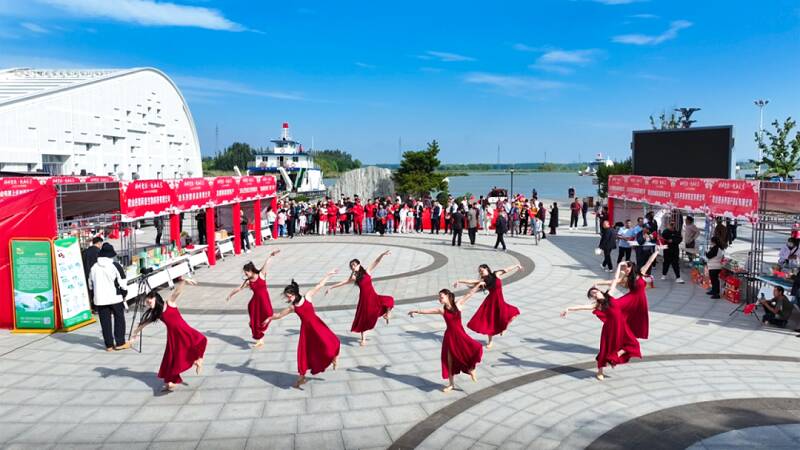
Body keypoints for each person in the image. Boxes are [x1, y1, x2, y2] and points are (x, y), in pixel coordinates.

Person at [128, 278, 206, 392]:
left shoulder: (169, 303)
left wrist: (184, 281)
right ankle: (172, 381)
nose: (148, 304)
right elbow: (143, 324)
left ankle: (198, 360)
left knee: (199, 342)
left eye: (149, 301)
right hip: (173, 337)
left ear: (155, 298)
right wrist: (134, 335)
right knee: (171, 359)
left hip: (184, 331)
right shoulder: (157, 313)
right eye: (147, 302)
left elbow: (176, 292)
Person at [267, 272, 341, 389]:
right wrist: (269, 318)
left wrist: (329, 274)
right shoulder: (293, 307)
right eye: (287, 296)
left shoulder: (308, 296)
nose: (288, 298)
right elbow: (280, 315)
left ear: (295, 293)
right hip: (306, 332)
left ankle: (334, 358)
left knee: (332, 342)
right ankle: (300, 379)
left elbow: (319, 285)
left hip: (317, 325)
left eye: (289, 295)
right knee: (304, 355)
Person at [560, 282, 641, 381]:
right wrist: (568, 308)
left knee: (634, 343)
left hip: (622, 326)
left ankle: (615, 356)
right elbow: (582, 307)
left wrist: (620, 266)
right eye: (592, 295)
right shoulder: (597, 305)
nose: (594, 294)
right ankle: (600, 371)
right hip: (610, 328)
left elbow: (615, 281)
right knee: (604, 350)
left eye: (594, 292)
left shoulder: (609, 295)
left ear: (599, 290)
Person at [408, 286, 483, 392]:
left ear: (448, 296)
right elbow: (428, 311)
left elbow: (469, 294)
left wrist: (479, 285)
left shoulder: (458, 304)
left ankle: (471, 369)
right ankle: (451, 384)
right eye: (439, 297)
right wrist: (416, 311)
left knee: (475, 347)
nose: (439, 299)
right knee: (449, 361)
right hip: (449, 337)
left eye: (441, 297)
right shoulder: (441, 309)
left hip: (461, 335)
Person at [326, 251, 394, 346]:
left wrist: (382, 255)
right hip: (364, 300)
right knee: (363, 318)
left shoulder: (367, 271)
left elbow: (376, 261)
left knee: (389, 300)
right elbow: (344, 282)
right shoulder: (355, 277)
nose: (353, 267)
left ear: (359, 264)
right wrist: (331, 287)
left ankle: (387, 314)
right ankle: (363, 339)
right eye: (351, 266)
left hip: (373, 296)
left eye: (354, 264)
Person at [455, 264, 523, 349]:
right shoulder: (483, 281)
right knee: (490, 322)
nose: (480, 272)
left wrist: (517, 265)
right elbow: (471, 281)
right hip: (491, 302)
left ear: (486, 268)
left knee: (514, 313)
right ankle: (490, 342)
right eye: (479, 271)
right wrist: (459, 280)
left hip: (500, 301)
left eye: (481, 270)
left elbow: (507, 269)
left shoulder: (496, 274)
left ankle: (504, 327)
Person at [226, 249, 281, 348]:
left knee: (269, 314)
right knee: (255, 322)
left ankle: (258, 328)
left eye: (246, 272)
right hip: (255, 304)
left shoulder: (261, 274)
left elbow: (266, 264)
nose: (245, 274)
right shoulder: (248, 281)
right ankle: (260, 340)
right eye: (245, 273)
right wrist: (230, 294)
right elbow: (239, 288)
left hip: (264, 301)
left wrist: (271, 255)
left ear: (251, 270)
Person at [89, 243, 129, 352]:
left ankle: (109, 345)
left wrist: (93, 296)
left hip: (100, 299)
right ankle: (120, 342)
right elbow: (123, 280)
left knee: (105, 321)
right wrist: (124, 292)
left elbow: (90, 284)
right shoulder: (115, 265)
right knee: (119, 319)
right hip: (114, 297)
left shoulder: (94, 267)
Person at [83, 236, 103, 305]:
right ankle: (95, 306)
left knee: (88, 291)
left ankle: (90, 306)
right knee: (96, 291)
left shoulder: (85, 251)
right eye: (101, 244)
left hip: (85, 273)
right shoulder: (99, 252)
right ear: (99, 243)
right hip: (95, 274)